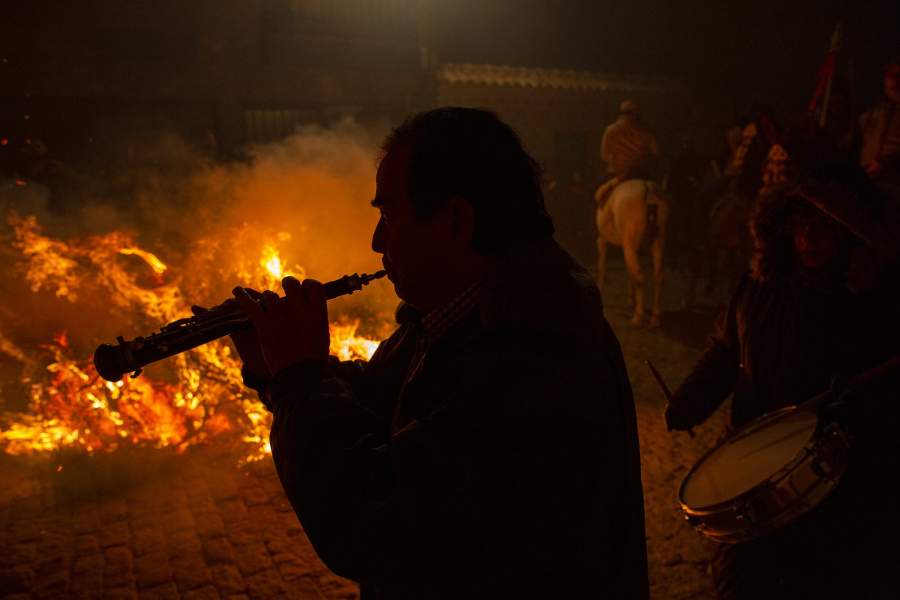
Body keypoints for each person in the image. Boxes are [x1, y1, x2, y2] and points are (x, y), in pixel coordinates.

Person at [230, 108, 649, 599]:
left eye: (387, 215)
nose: (376, 241)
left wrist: (300, 380)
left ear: (455, 221)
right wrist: (278, 368)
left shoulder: (534, 350)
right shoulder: (462, 315)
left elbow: (369, 524)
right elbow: (380, 398)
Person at [665, 161, 900, 599]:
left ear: (850, 230)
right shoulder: (759, 286)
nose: (809, 236)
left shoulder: (872, 301)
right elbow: (724, 349)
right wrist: (691, 399)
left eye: (825, 224)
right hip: (752, 472)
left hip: (835, 489)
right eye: (801, 222)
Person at [595, 100, 659, 207]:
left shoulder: (611, 130)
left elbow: (604, 155)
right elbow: (655, 152)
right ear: (637, 114)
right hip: (642, 173)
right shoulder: (646, 131)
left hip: (618, 174)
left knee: (598, 196)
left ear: (622, 113)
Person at [859, 58, 900, 185]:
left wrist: (886, 163)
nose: (895, 81)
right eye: (890, 76)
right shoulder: (871, 115)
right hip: (868, 183)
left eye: (899, 76)